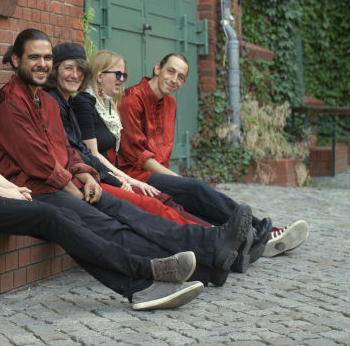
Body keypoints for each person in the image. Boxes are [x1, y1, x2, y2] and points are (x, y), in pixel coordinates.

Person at [0, 22, 208, 311]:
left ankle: (142, 282)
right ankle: (145, 274)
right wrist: (4, 193)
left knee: (64, 216)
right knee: (50, 215)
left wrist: (13, 189)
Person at [0, 28, 253, 288]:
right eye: (34, 57)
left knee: (132, 212)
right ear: (16, 60)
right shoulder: (10, 103)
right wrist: (74, 188)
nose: (42, 64)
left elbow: (65, 149)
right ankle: (202, 265)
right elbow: (39, 162)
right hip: (35, 190)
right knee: (110, 226)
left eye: (47, 58)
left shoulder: (44, 101)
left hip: (64, 183)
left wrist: (87, 175)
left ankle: (209, 254)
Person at [117, 52, 309, 264]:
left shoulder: (170, 103)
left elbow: (162, 154)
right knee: (196, 189)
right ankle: (261, 230)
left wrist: (175, 181)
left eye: (180, 77)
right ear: (157, 69)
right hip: (134, 175)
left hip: (158, 175)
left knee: (198, 206)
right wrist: (177, 179)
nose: (174, 79)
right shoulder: (131, 100)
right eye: (170, 71)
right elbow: (139, 156)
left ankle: (254, 239)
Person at [45, 42, 209, 227]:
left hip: (110, 175)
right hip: (102, 177)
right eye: (117, 74)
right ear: (99, 76)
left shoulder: (108, 105)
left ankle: (210, 230)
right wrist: (124, 179)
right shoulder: (83, 103)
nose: (121, 79)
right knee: (159, 203)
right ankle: (208, 233)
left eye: (124, 75)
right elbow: (90, 154)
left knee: (168, 199)